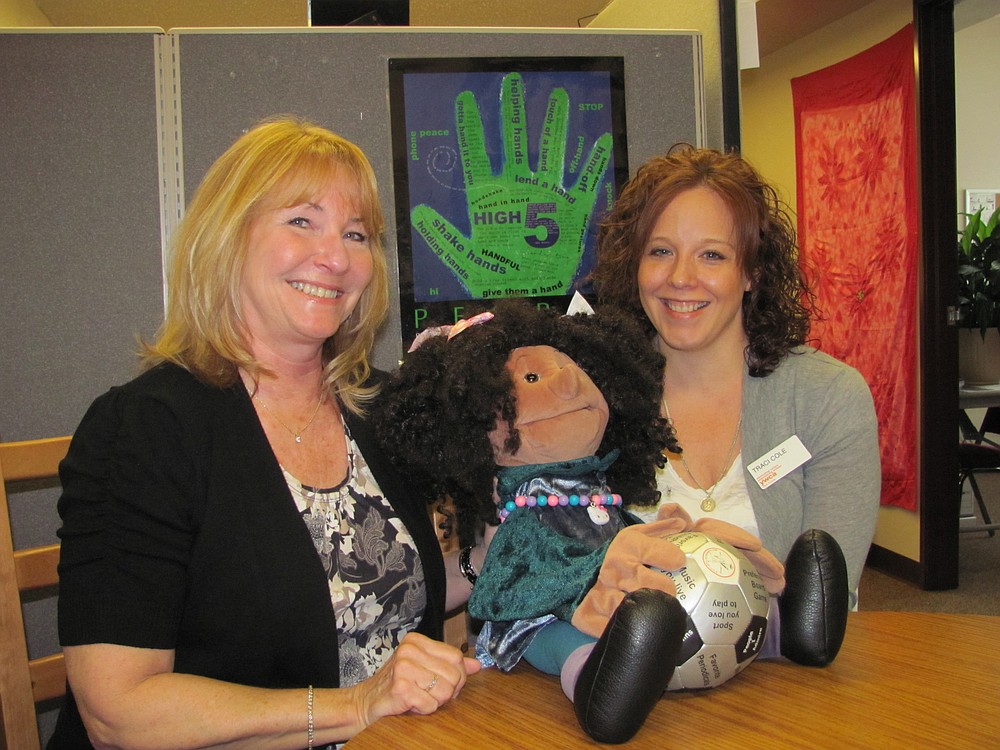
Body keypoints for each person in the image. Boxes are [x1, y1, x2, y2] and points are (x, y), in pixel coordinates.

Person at [49, 117, 482, 750]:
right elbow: (120, 711)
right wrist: (358, 704)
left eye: (355, 233)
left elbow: (379, 584)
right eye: (302, 221)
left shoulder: (378, 406)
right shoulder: (146, 430)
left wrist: (532, 540)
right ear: (229, 237)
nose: (335, 257)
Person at [592, 145, 880, 607]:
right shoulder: (589, 397)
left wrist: (770, 585)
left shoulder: (827, 398)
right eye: (661, 251)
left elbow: (828, 603)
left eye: (711, 255)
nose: (681, 278)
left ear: (753, 272)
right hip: (618, 667)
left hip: (781, 673)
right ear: (635, 265)